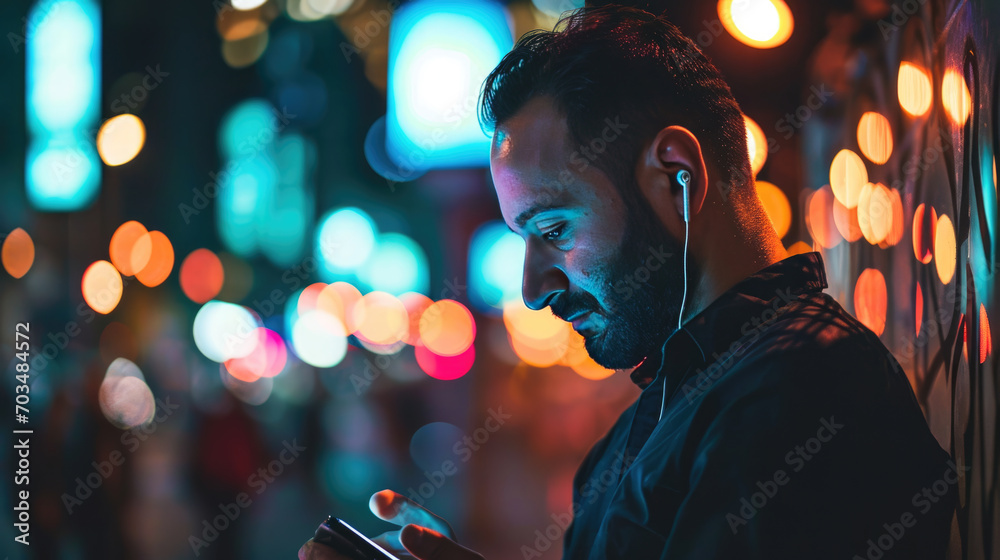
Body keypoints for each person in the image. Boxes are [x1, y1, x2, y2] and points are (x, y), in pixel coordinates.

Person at [301, 5, 956, 559]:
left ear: (677, 176)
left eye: (554, 228)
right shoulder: (682, 400)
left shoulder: (802, 390)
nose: (532, 287)